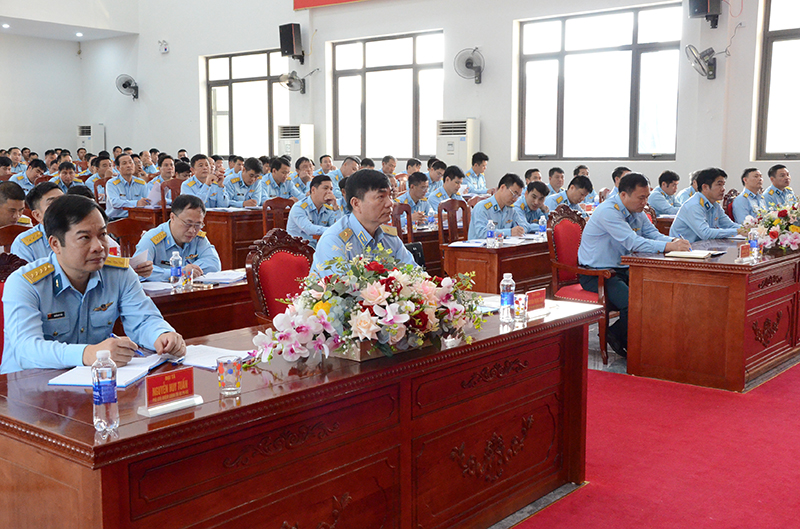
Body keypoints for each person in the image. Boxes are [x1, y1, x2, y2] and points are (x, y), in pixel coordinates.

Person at [0, 195, 186, 374]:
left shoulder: (119, 274)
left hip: (91, 380)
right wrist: (88, 353)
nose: (99, 246)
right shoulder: (25, 283)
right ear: (55, 244)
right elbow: (27, 349)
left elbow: (143, 320)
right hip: (26, 387)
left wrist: (162, 335)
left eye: (102, 234)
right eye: (85, 238)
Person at [578, 172, 690, 357]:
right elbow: (633, 242)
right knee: (633, 301)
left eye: (647, 197)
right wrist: (669, 246)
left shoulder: (636, 212)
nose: (645, 202)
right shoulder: (609, 211)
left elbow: (653, 234)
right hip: (597, 273)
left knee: (656, 293)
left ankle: (633, 337)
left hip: (623, 269)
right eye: (641, 197)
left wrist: (676, 241)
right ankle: (626, 342)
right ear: (624, 195)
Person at [311, 169, 417, 277]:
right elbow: (343, 291)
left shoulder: (389, 237)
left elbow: (414, 274)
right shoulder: (334, 241)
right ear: (356, 203)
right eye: (381, 197)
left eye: (390, 196)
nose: (390, 203)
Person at [135, 194, 222, 282]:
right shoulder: (151, 239)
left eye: (198, 225)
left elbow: (214, 264)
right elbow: (139, 272)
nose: (192, 230)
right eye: (188, 224)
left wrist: (191, 270)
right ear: (172, 217)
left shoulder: (198, 237)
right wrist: (178, 272)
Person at [670, 167, 741, 242]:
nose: (723, 189)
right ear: (705, 187)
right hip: (684, 250)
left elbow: (729, 225)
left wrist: (748, 230)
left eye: (723, 185)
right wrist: (738, 231)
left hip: (703, 248)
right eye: (719, 185)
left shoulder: (715, 204)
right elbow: (705, 234)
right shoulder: (694, 205)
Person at [10, 183, 63, 262]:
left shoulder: (81, 233)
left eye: (64, 200)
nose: (63, 206)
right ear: (38, 215)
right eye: (53, 204)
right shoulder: (24, 245)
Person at [286, 174, 343, 248]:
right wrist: (332, 230)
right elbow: (309, 229)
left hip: (319, 246)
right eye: (325, 188)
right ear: (313, 190)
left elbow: (339, 227)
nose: (329, 192)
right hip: (298, 249)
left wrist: (335, 207)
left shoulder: (328, 209)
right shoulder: (299, 207)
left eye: (331, 189)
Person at [468, 173, 526, 239]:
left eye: (518, 196)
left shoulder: (511, 210)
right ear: (502, 187)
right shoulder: (482, 207)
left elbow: (523, 226)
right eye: (514, 194)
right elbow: (482, 233)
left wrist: (520, 230)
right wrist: (509, 232)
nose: (515, 199)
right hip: (480, 247)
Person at [105, 154, 150, 219]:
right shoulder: (112, 183)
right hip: (116, 219)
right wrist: (136, 203)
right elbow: (115, 203)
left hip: (137, 218)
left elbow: (149, 200)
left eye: (131, 162)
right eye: (124, 163)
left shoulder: (141, 183)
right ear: (118, 168)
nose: (129, 165)